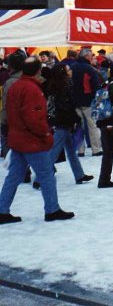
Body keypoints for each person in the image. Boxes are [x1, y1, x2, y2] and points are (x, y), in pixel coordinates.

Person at [0, 57, 74, 224]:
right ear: (38, 71)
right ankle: (52, 209)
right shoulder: (32, 89)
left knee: (14, 175)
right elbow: (34, 118)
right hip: (31, 140)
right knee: (46, 175)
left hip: (17, 137)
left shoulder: (15, 86)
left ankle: (2, 209)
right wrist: (45, 135)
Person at [46, 63, 92, 184]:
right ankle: (41, 178)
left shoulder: (55, 85)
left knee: (70, 150)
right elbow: (68, 105)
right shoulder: (65, 85)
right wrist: (75, 118)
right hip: (64, 122)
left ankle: (79, 175)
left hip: (61, 121)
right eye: (68, 69)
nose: (70, 71)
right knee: (55, 151)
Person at [70, 48, 103, 156]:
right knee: (92, 125)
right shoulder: (90, 69)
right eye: (91, 56)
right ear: (87, 56)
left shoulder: (72, 68)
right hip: (88, 100)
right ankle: (96, 149)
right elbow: (96, 86)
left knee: (78, 126)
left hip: (75, 100)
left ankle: (80, 150)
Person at [0, 52, 24, 158]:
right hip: (25, 119)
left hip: (14, 120)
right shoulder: (27, 78)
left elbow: (6, 104)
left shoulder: (11, 81)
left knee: (13, 150)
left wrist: (4, 121)